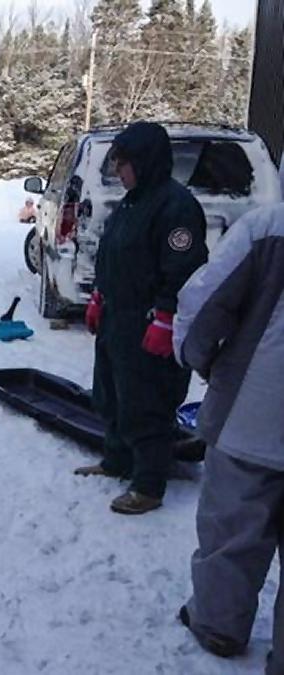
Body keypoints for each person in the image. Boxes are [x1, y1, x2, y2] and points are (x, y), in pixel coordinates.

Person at [74, 121, 208, 515]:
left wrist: (166, 317)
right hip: (118, 316)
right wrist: (99, 295)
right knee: (111, 393)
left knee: (145, 402)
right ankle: (117, 460)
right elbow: (112, 254)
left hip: (149, 321)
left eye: (123, 162)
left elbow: (184, 268)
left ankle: (148, 485)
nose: (118, 170)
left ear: (146, 162)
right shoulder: (131, 202)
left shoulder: (175, 207)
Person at [173, 203, 284, 667]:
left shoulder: (268, 228)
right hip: (256, 413)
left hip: (256, 412)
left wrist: (198, 358)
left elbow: (203, 305)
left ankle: (219, 625)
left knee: (233, 531)